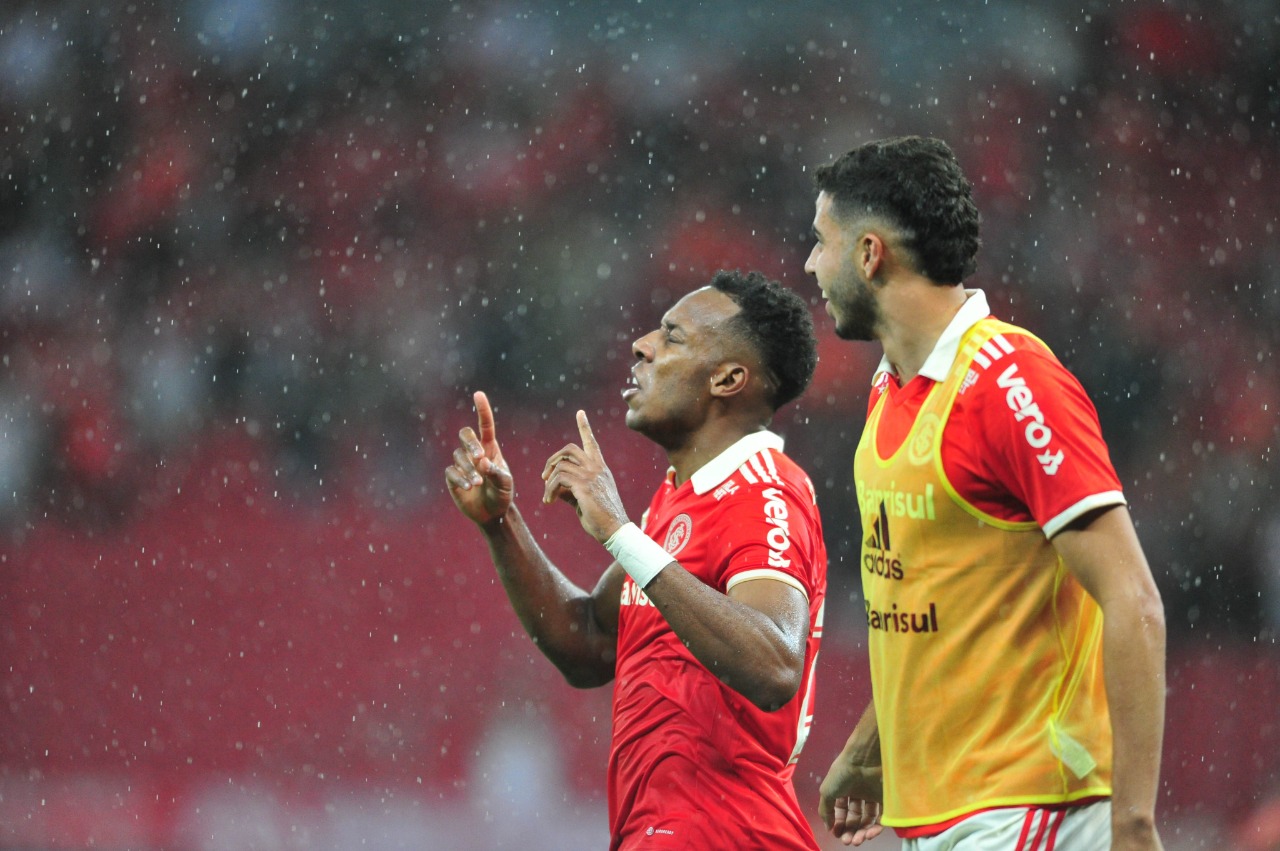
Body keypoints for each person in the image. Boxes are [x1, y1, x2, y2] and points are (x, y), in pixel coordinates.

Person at [804, 136, 1167, 850]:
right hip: (946, 816)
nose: (811, 264)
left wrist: (1133, 823)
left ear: (870, 254)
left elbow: (1136, 601)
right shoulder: (890, 390)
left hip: (1032, 809)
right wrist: (870, 746)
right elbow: (933, 607)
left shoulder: (1011, 381)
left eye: (821, 242)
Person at [444, 269, 829, 850]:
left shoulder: (763, 490)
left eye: (672, 337)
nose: (642, 345)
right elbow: (590, 643)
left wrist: (621, 533)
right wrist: (502, 523)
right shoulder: (679, 504)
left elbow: (775, 664)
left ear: (728, 379)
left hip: (727, 837)